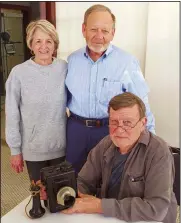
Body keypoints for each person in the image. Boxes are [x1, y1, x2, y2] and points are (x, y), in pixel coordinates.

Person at [65, 4, 156, 173]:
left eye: (105, 31)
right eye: (93, 29)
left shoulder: (127, 62)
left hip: (111, 130)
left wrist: (151, 144)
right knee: (73, 179)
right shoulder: (72, 60)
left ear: (113, 33)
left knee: (109, 180)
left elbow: (142, 105)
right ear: (84, 29)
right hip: (76, 130)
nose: (99, 36)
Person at [62, 92, 177, 223]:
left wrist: (100, 206)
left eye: (127, 123)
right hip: (111, 217)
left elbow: (156, 209)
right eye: (114, 122)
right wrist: (63, 192)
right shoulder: (105, 144)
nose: (119, 130)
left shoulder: (159, 152)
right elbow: (83, 182)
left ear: (143, 123)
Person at [5, 19, 67, 194]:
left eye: (49, 41)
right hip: (33, 149)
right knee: (40, 195)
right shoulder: (19, 73)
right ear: (30, 44)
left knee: (62, 194)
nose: (44, 47)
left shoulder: (64, 68)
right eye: (38, 41)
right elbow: (12, 113)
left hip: (61, 146)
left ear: (55, 44)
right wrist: (15, 150)